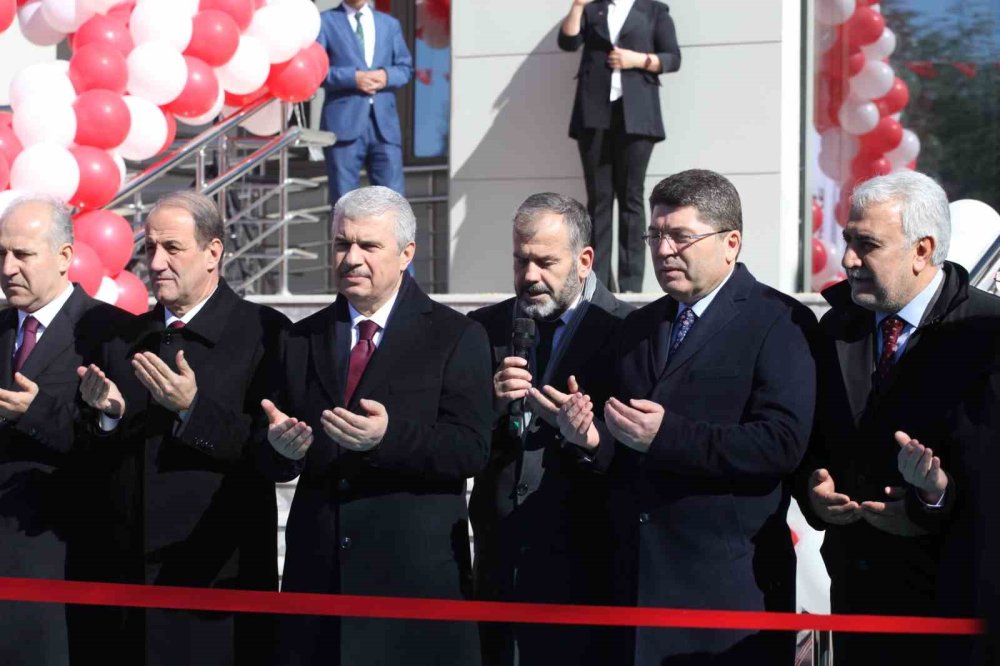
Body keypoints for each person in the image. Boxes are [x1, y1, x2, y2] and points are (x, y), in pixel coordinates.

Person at [557, 169, 816, 664]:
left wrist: (668, 436)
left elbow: (781, 443)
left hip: (726, 598)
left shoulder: (779, 321)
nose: (663, 249)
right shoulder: (638, 326)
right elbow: (622, 448)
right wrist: (591, 439)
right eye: (655, 235)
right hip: (633, 590)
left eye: (680, 236)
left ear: (730, 242)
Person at [262, 185, 493, 666]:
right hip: (319, 579)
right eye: (343, 244)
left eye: (369, 246)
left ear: (407, 253)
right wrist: (282, 450)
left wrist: (387, 439)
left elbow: (470, 448)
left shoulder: (456, 335)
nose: (352, 258)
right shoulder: (301, 338)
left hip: (410, 583)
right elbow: (277, 451)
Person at [794, 170, 1000, 665]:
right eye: (847, 240)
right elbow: (811, 442)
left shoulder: (988, 336)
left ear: (923, 250)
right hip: (858, 600)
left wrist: (932, 499)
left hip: (953, 612)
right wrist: (815, 493)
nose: (848, 259)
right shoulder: (835, 326)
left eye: (866, 244)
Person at [77, 191, 291, 666]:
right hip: (129, 585)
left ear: (213, 251)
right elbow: (97, 463)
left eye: (172, 248)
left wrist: (192, 409)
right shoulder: (125, 336)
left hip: (216, 580)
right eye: (149, 248)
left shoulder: (266, 332)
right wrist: (106, 415)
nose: (155, 262)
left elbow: (268, 452)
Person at [467, 193, 631, 666]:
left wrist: (591, 436)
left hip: (584, 572)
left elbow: (639, 455)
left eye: (545, 262)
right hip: (498, 568)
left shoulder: (627, 330)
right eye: (521, 261)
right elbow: (462, 436)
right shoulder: (484, 328)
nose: (530, 276)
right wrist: (492, 405)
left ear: (583, 261)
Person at [0, 196, 132, 665]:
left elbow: (117, 450)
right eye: (2, 255)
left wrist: (37, 413)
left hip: (62, 570)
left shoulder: (110, 331)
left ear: (62, 257)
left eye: (23, 254)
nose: (8, 267)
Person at [558, 0, 681, 293]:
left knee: (631, 199)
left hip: (637, 116)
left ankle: (630, 286)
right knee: (598, 200)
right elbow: (567, 42)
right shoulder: (592, 9)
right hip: (594, 115)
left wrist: (636, 60)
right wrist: (577, 6)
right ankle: (597, 285)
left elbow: (673, 58)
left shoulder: (654, 11)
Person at [316, 0, 413, 206]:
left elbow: (405, 68)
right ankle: (347, 240)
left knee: (393, 204)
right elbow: (318, 70)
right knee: (344, 204)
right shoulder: (326, 21)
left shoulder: (389, 24)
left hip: (384, 127)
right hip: (343, 126)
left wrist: (386, 76)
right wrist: (353, 78)